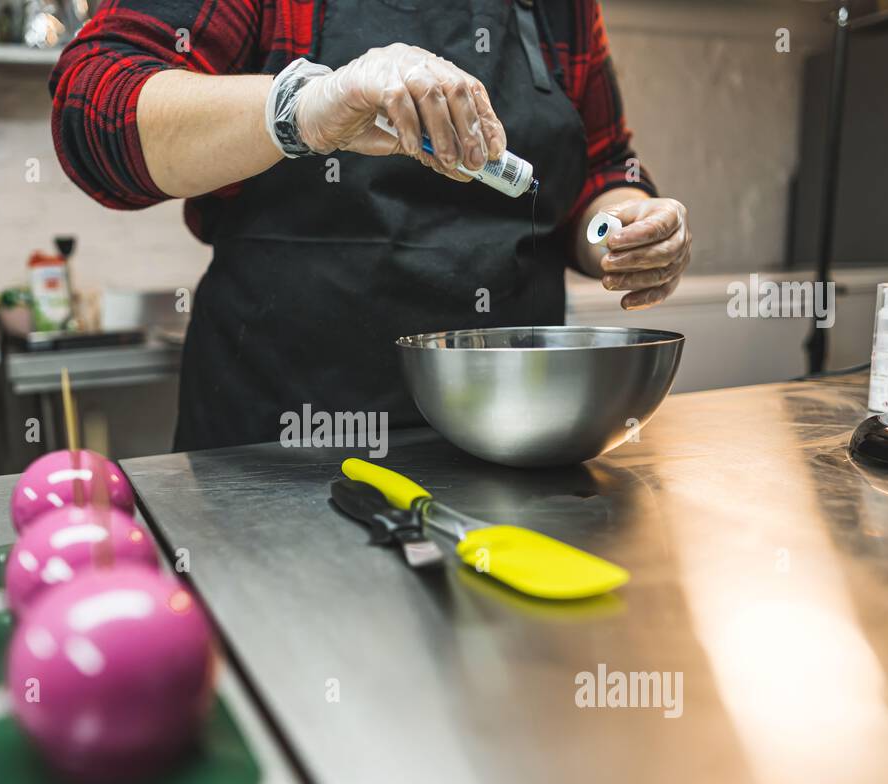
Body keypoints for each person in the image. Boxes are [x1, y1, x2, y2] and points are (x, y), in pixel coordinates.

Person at [51, 0, 692, 451]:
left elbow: (602, 169)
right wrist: (300, 107)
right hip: (281, 449)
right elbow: (94, 103)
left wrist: (621, 224)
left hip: (517, 438)